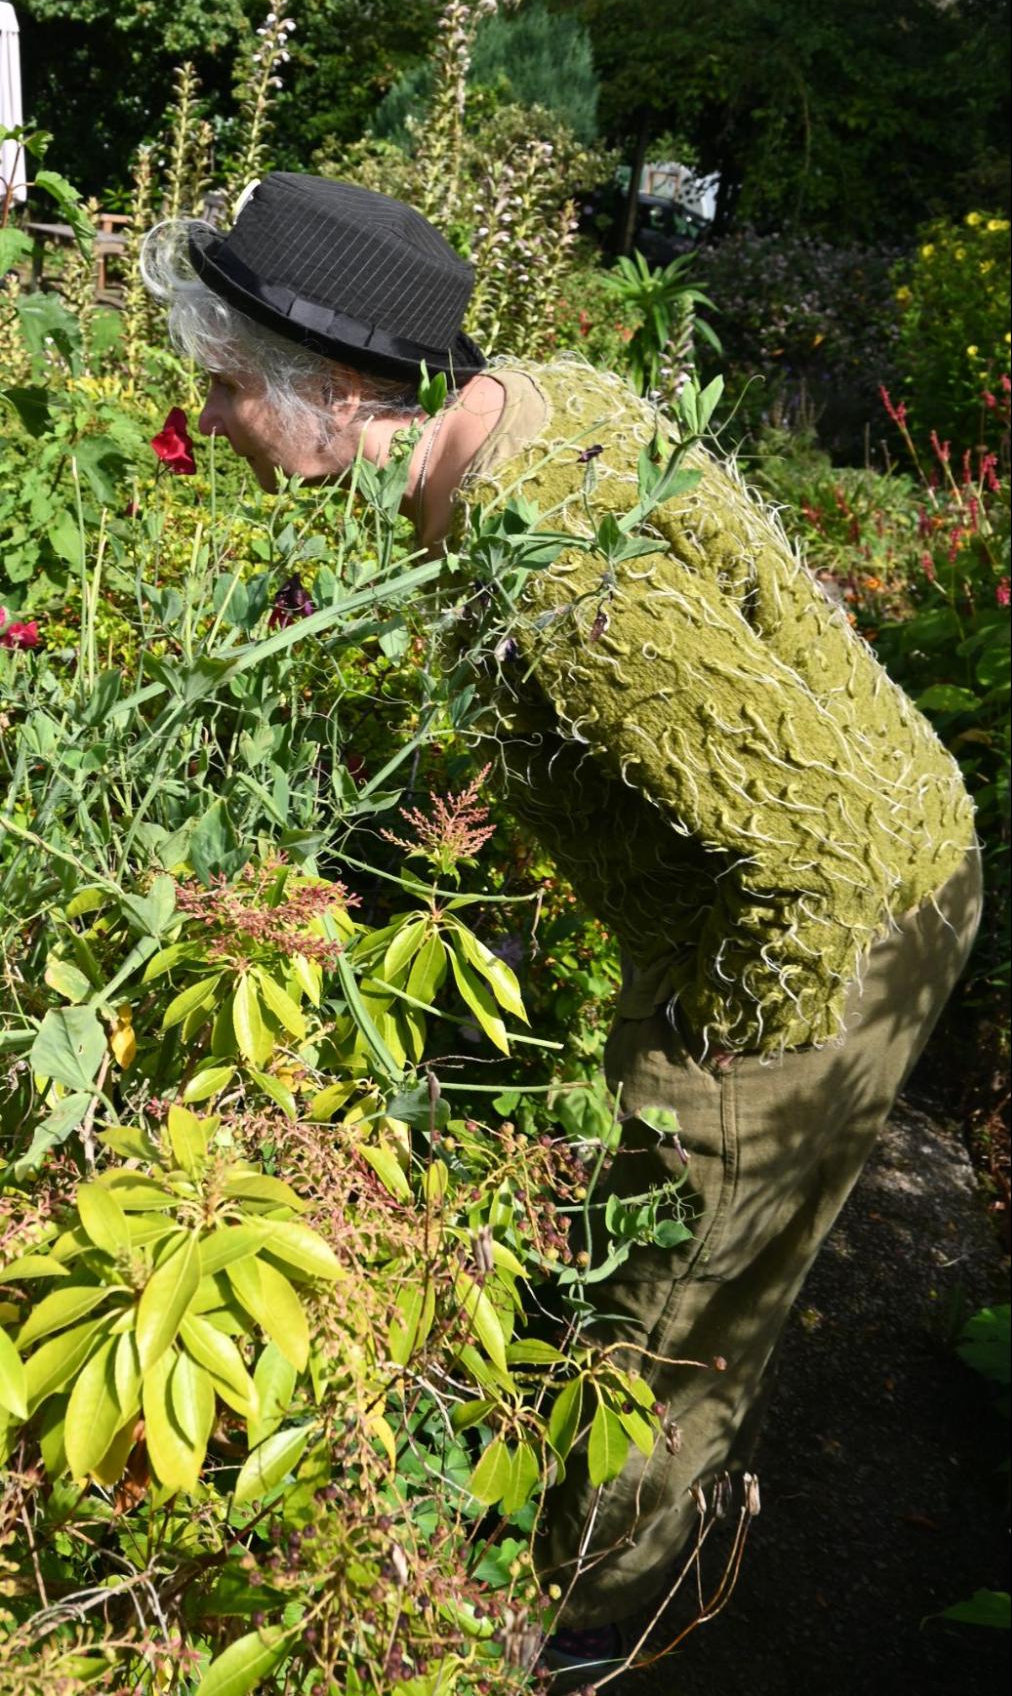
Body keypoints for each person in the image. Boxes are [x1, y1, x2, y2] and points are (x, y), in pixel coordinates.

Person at [143, 172, 982, 1648]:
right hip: (900, 851)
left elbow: (814, 851)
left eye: (225, 387)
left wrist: (709, 1066)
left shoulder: (562, 582)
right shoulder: (536, 403)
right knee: (716, 1278)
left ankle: (553, 1632)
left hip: (833, 928)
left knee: (661, 1328)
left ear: (335, 392)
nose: (209, 420)